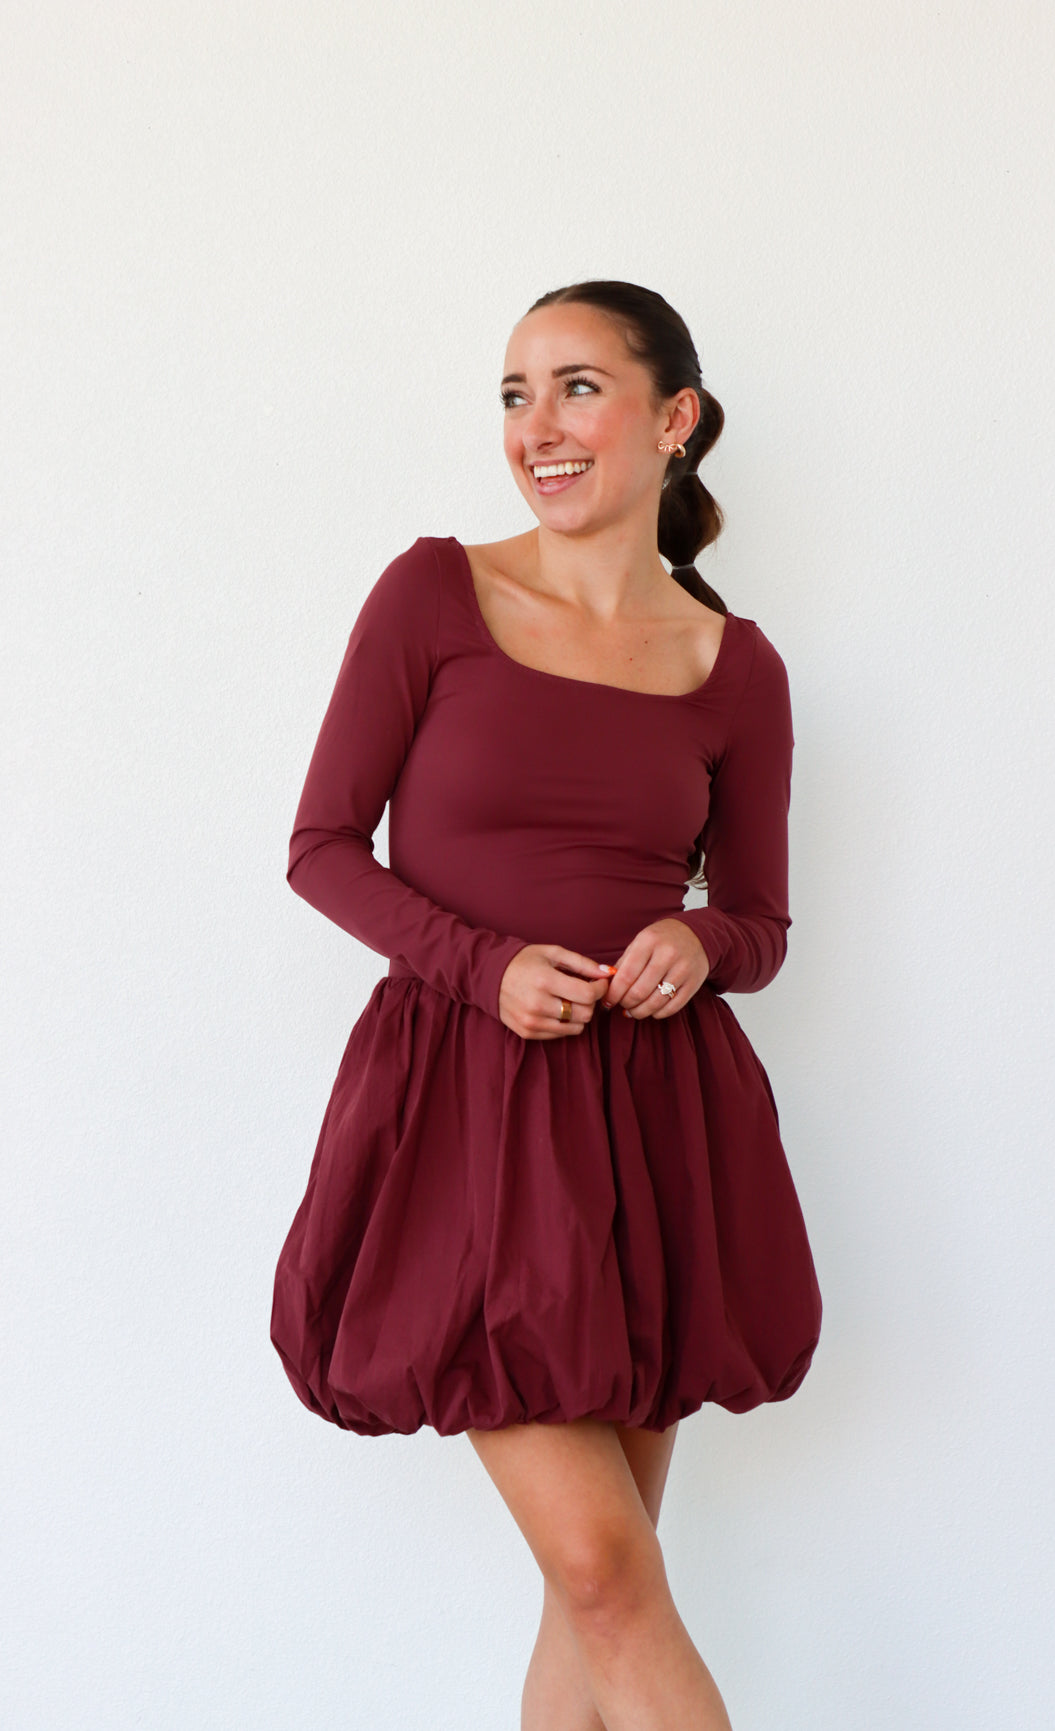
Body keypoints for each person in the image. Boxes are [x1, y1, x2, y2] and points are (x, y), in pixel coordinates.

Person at [270, 279, 822, 1729]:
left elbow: (760, 921)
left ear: (674, 421)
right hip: (463, 1106)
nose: (537, 427)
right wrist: (478, 964)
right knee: (600, 1571)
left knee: (597, 1587)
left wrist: (700, 944)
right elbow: (321, 848)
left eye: (577, 388)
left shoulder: (734, 666)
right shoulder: (432, 594)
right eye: (514, 394)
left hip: (654, 1124)